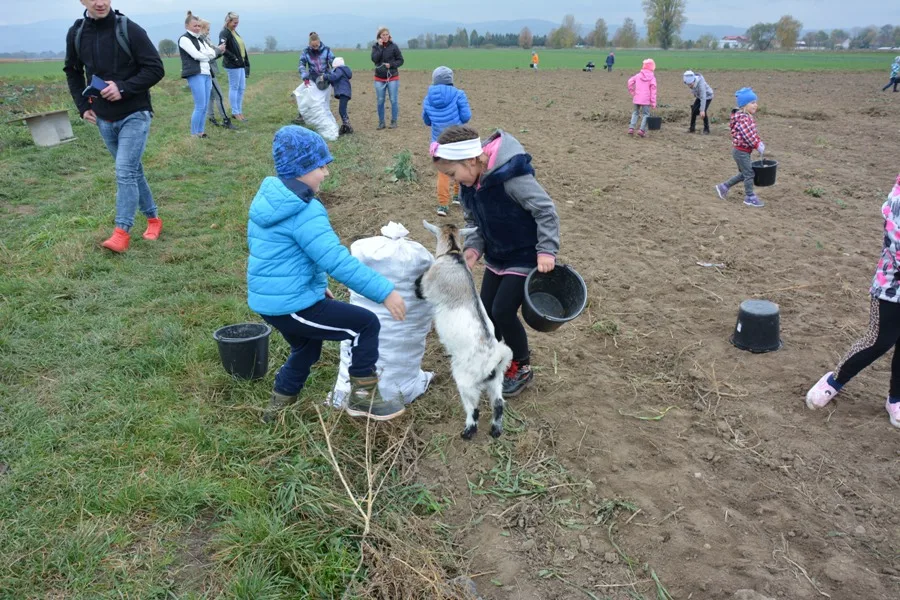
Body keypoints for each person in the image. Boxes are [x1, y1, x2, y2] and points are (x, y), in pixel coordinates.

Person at [247, 126, 408, 422]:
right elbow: (336, 261)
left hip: (272, 301)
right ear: (302, 169)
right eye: (321, 166)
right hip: (290, 305)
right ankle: (363, 397)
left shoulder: (270, 201)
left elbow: (280, 257)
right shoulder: (305, 211)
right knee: (365, 325)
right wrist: (384, 291)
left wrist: (315, 286)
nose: (326, 172)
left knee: (307, 348)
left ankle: (278, 406)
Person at [430, 125, 560, 397]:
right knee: (486, 310)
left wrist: (547, 250)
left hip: (525, 256)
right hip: (497, 257)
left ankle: (521, 366)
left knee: (502, 310)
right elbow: (474, 223)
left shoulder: (512, 177)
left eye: (453, 174)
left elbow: (545, 210)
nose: (454, 181)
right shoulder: (469, 185)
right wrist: (473, 251)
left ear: (470, 160)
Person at [63, 0, 165, 253]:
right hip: (102, 117)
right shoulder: (76, 33)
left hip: (135, 112)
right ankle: (153, 219)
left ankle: (121, 232)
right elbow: (73, 71)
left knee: (124, 172)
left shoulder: (129, 29)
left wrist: (123, 88)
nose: (100, 2)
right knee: (132, 171)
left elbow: (155, 68)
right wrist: (82, 105)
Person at [806, 174, 900, 429]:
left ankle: (896, 399)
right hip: (891, 289)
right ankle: (834, 381)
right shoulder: (898, 201)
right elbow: (898, 244)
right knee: (879, 340)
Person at [422, 66, 472, 217]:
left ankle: (443, 205)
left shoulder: (428, 98)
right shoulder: (459, 94)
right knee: (460, 167)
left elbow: (426, 121)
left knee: (443, 173)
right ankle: (458, 197)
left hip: (439, 142)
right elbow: (466, 117)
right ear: (450, 80)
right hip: (457, 139)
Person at [715, 87, 765, 208]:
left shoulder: (746, 117)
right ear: (744, 105)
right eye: (752, 103)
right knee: (749, 174)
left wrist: (758, 141)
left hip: (743, 151)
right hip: (741, 152)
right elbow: (747, 135)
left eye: (755, 102)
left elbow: (752, 133)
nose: (755, 105)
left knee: (744, 173)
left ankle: (723, 187)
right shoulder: (743, 118)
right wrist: (756, 144)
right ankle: (750, 197)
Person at [179, 11, 220, 139]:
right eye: (194, 26)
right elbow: (196, 55)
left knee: (204, 104)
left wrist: (206, 56)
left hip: (206, 73)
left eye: (198, 26)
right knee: (200, 105)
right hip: (195, 74)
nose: (197, 28)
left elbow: (212, 53)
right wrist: (206, 56)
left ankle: (201, 132)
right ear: (187, 26)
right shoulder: (184, 39)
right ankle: (194, 134)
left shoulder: (200, 39)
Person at [198, 19, 235, 130]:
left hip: (207, 71)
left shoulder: (203, 40)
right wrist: (220, 51)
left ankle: (211, 118)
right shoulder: (202, 41)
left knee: (211, 96)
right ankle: (225, 120)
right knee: (219, 96)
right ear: (202, 28)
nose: (209, 32)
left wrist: (219, 51)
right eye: (207, 29)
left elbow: (213, 55)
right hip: (208, 72)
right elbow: (210, 56)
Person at [219, 11, 249, 122]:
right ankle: (235, 112)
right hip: (233, 65)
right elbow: (222, 48)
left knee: (241, 88)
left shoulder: (234, 32)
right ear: (228, 21)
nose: (236, 24)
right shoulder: (224, 33)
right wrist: (234, 58)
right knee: (234, 87)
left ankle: (239, 111)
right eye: (234, 22)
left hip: (240, 64)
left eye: (237, 22)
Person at [371, 27, 404, 129]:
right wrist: (380, 47)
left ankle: (394, 121)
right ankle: (381, 122)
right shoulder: (375, 47)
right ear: (379, 37)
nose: (385, 37)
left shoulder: (394, 47)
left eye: (387, 34)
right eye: (383, 35)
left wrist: (392, 64)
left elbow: (401, 60)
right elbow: (374, 59)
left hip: (392, 76)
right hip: (379, 78)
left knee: (393, 100)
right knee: (380, 100)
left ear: (389, 36)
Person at [627, 58, 657, 138]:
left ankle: (631, 128)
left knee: (635, 113)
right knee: (646, 114)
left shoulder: (638, 75)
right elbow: (653, 91)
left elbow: (630, 81)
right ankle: (641, 130)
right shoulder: (652, 78)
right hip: (646, 100)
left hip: (637, 98)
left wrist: (632, 92)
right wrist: (653, 102)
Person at [325, 56, 353, 135]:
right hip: (345, 92)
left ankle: (347, 125)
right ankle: (346, 124)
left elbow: (334, 77)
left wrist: (325, 76)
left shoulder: (339, 70)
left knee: (342, 110)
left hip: (343, 92)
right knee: (342, 110)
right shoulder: (343, 70)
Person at [683, 70, 714, 134]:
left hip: (707, 96)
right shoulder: (689, 80)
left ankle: (706, 129)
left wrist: (702, 110)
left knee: (703, 112)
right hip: (699, 97)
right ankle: (692, 128)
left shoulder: (700, 84)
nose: (689, 86)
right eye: (688, 84)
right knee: (693, 110)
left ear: (694, 81)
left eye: (690, 84)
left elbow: (703, 97)